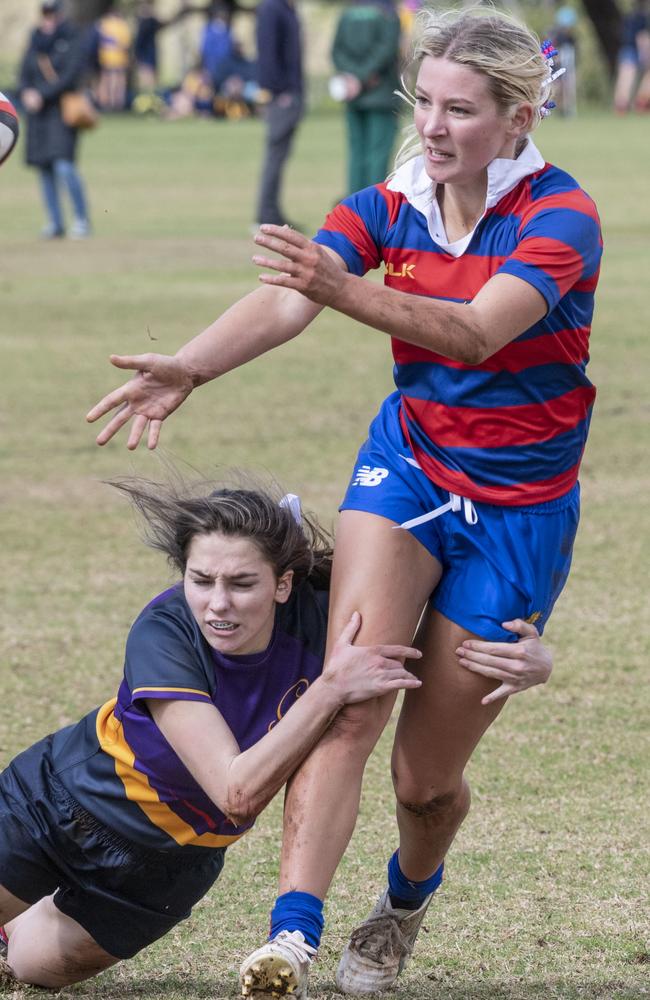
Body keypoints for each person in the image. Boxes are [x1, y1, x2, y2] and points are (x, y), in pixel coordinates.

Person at [86, 6, 601, 997]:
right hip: (406, 467)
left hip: (518, 509)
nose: (434, 127)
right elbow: (291, 298)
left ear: (519, 116)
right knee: (348, 692)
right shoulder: (388, 200)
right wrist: (190, 367)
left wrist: (338, 284)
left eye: (460, 110)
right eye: (425, 103)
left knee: (424, 781)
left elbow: (472, 334)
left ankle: (403, 900)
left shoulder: (558, 219)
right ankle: (291, 935)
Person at [0, 477, 551, 990]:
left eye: (242, 583)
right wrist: (330, 689)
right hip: (61, 809)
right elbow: (236, 794)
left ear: (283, 584)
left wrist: (536, 655)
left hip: (170, 866)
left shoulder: (328, 613)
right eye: (200, 580)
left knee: (33, 968)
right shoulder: (164, 631)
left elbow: (441, 591)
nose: (218, 604)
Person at [17, 0, 92, 240]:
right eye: (45, 13)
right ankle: (55, 222)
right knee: (44, 169)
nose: (48, 18)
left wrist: (42, 94)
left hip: (61, 112)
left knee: (64, 166)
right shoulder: (35, 40)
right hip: (38, 115)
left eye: (52, 13)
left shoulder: (71, 38)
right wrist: (27, 91)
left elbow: (71, 74)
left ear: (60, 14)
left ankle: (81, 219)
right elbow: (24, 71)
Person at [331, 0, 402, 194]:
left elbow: (337, 51)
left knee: (356, 154)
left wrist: (352, 77)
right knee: (378, 155)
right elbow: (387, 50)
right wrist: (362, 77)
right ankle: (374, 208)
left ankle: (354, 209)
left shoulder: (347, 13)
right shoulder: (388, 14)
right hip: (382, 95)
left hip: (352, 95)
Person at [254, 0, 304, 227]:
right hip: (282, 96)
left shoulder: (285, 8)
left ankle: (272, 210)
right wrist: (278, 90)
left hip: (291, 93)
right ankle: (266, 213)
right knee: (274, 156)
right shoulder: (271, 8)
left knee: (280, 156)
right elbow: (267, 51)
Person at [613, 0, 650, 113]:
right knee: (628, 78)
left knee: (625, 79)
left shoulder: (629, 17)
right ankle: (641, 103)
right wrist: (645, 55)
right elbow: (642, 37)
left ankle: (622, 105)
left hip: (626, 49)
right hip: (633, 49)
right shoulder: (642, 18)